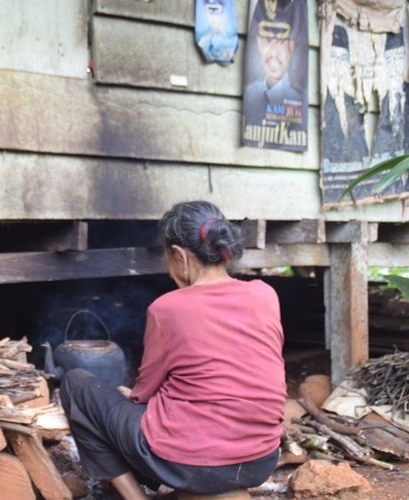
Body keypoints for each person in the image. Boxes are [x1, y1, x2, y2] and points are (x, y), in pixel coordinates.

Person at [60, 201, 286, 498]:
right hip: (261, 459)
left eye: (167, 259)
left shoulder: (168, 308)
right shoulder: (265, 294)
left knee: (76, 384)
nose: (169, 271)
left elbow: (145, 392)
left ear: (179, 256)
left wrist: (131, 398)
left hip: (189, 463)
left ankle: (134, 496)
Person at [242, 0, 306, 131]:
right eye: (268, 40)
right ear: (259, 44)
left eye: (282, 42)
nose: (273, 52)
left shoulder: (298, 99)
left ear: (291, 47)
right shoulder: (250, 94)